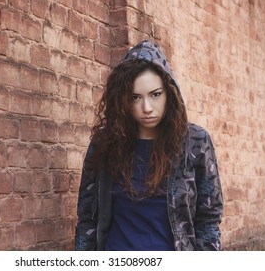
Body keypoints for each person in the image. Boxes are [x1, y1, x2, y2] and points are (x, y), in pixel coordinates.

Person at [74, 40, 223, 251]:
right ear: (123, 99)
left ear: (169, 92)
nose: (147, 108)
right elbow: (87, 219)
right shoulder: (105, 143)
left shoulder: (195, 142)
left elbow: (208, 221)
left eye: (155, 95)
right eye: (135, 97)